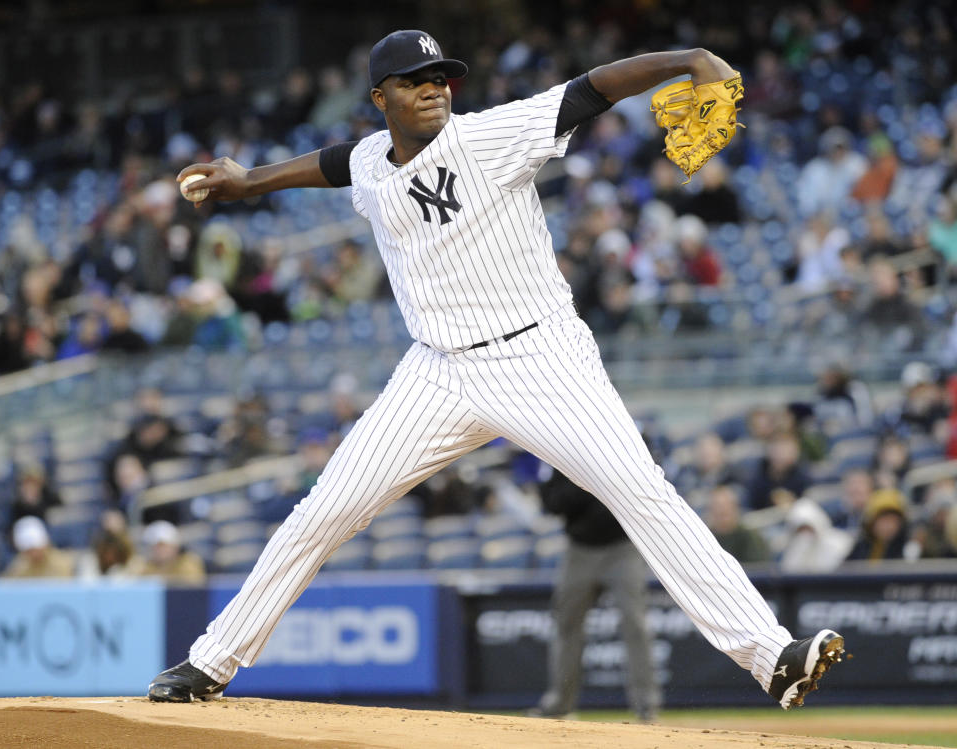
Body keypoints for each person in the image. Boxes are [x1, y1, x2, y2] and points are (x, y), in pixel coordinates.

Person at [149, 29, 845, 710]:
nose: (432, 90)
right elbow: (335, 162)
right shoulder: (370, 160)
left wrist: (687, 60)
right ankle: (213, 660)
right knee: (321, 512)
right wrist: (250, 184)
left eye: (439, 78)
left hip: (539, 356)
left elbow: (592, 89)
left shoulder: (489, 135)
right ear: (379, 98)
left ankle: (770, 656)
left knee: (642, 492)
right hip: (436, 372)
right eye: (414, 82)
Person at [531, 468, 660, 722]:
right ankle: (559, 703)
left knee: (636, 624)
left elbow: (642, 485)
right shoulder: (561, 446)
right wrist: (595, 483)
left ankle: (646, 706)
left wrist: (586, 484)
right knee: (566, 624)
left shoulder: (631, 433)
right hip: (579, 549)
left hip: (623, 547)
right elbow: (552, 502)